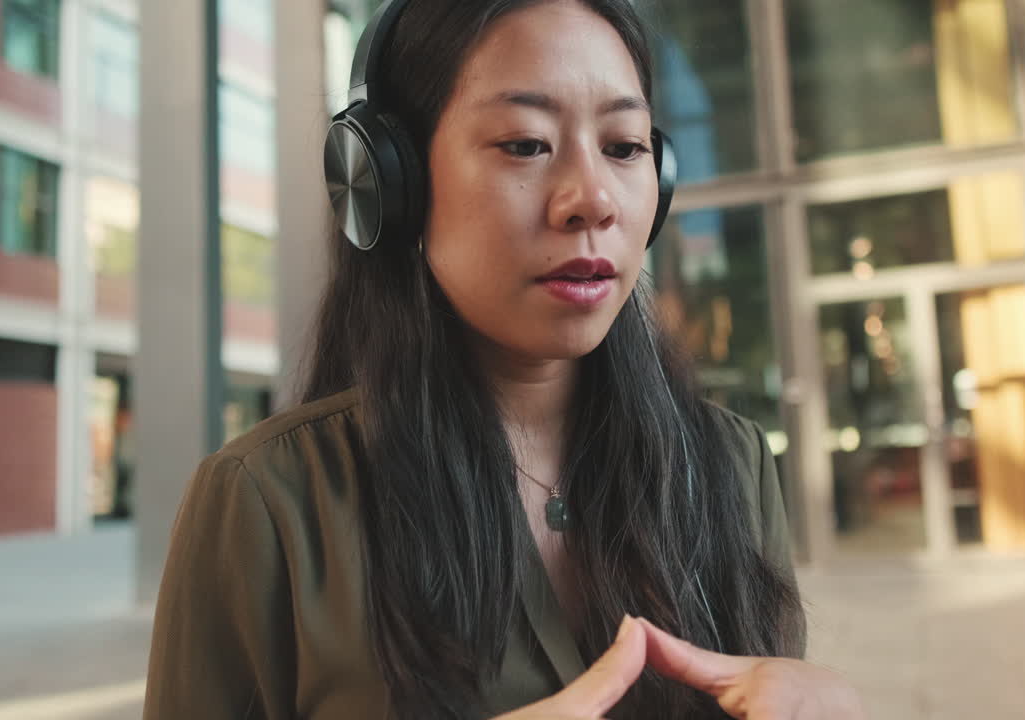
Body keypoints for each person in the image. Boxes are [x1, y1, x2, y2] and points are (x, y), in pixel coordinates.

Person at [142, 0, 865, 718]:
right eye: (525, 143)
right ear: (390, 182)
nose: (593, 200)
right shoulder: (267, 502)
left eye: (624, 147)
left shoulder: (729, 464)